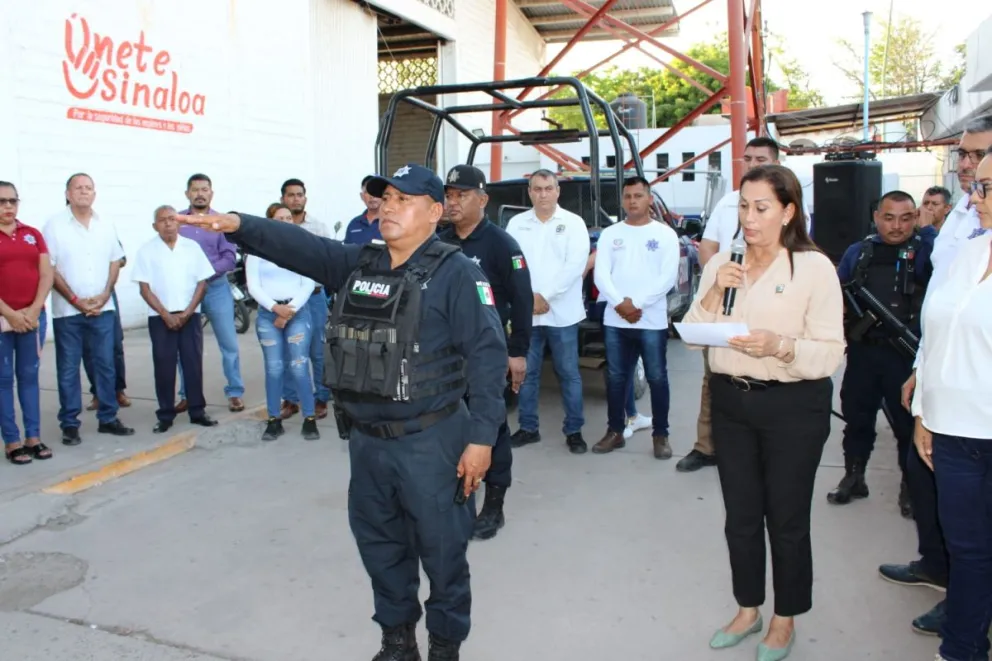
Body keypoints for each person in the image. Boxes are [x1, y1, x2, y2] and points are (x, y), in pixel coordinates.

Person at [174, 163, 507, 661]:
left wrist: (481, 440)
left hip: (432, 442)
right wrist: (240, 225)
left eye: (403, 199)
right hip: (369, 443)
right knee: (381, 549)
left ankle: (444, 647)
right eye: (385, 197)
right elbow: (300, 247)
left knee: (443, 554)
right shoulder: (360, 264)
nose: (388, 206)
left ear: (435, 212)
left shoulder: (458, 274)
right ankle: (398, 643)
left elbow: (488, 358)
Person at [682, 165, 845, 661]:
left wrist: (781, 346)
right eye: (743, 207)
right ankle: (748, 608)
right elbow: (691, 335)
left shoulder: (813, 268)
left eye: (761, 208)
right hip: (731, 403)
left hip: (792, 407)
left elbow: (829, 352)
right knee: (742, 517)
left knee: (788, 519)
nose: (748, 219)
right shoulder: (722, 265)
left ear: (788, 211)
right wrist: (712, 293)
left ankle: (784, 618)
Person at [894, 115, 992, 635]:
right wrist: (923, 383)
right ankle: (958, 610)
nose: (968, 176)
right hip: (949, 414)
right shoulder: (966, 234)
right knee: (963, 537)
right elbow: (939, 310)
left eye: (979, 162)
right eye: (964, 159)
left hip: (981, 417)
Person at [681, 137, 813, 474]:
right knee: (715, 383)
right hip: (725, 304)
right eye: (748, 158)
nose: (753, 164)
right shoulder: (727, 203)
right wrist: (721, 275)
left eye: (761, 158)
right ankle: (706, 447)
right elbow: (707, 246)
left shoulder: (793, 209)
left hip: (771, 312)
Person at [438, 164, 533, 541]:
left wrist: (518, 351)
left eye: (461, 194)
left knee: (489, 428)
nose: (453, 202)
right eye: (449, 194)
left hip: (487, 356)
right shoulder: (440, 240)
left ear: (483, 199)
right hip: (445, 357)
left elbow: (522, 300)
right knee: (447, 429)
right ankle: (458, 499)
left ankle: (494, 505)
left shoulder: (502, 245)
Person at [829, 191, 935, 515]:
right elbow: (837, 294)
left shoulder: (928, 253)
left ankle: (910, 487)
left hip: (904, 356)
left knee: (906, 426)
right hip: (863, 353)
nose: (896, 226)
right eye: (889, 217)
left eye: (905, 218)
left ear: (915, 218)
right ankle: (854, 476)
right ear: (877, 217)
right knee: (857, 418)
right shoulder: (858, 252)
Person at [591, 176, 681, 459]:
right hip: (616, 321)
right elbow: (601, 274)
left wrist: (637, 304)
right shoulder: (610, 234)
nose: (632, 201)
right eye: (628, 196)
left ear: (649, 198)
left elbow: (667, 277)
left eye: (638, 195)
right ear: (622, 200)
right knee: (617, 378)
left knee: (656, 378)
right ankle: (615, 431)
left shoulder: (665, 234)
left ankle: (661, 435)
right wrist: (620, 304)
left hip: (650, 320)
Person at [44, 173, 135, 445]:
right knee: (69, 368)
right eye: (78, 188)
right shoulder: (54, 226)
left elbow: (114, 261)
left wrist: (106, 294)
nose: (84, 192)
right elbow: (49, 268)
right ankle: (69, 423)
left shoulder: (105, 224)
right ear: (68, 194)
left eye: (88, 188)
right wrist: (75, 300)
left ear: (94, 194)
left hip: (103, 309)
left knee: (105, 365)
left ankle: (108, 418)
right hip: (68, 313)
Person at [506, 169, 590, 454]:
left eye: (548, 188)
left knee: (568, 373)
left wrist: (545, 296)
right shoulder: (517, 224)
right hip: (527, 314)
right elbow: (512, 263)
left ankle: (574, 430)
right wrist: (529, 299)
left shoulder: (573, 223)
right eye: (537, 189)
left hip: (562, 313)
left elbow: (575, 265)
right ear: (529, 192)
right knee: (526, 374)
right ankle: (528, 428)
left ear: (557, 191)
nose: (543, 194)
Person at [131, 206, 219, 434]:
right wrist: (165, 315)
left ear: (179, 223)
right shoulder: (146, 251)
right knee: (164, 366)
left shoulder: (192, 247)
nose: (168, 224)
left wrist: (188, 312)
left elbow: (202, 282)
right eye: (162, 220)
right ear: (154, 226)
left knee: (193, 363)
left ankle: (197, 411)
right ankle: (166, 414)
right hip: (161, 318)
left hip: (189, 315)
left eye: (172, 219)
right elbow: (144, 288)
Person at [246, 203, 320, 442]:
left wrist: (289, 310)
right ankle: (274, 420)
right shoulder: (256, 250)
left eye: (289, 218)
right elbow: (253, 285)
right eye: (281, 218)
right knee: (275, 368)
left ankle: (309, 419)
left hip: (296, 311)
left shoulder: (302, 247)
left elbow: (309, 282)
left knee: (299, 366)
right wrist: (274, 308)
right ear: (270, 221)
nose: (286, 222)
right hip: (269, 314)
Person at [177, 173, 246, 413]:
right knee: (186, 346)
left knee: (228, 343)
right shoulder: (178, 222)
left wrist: (206, 273)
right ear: (187, 193)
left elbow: (229, 257)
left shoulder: (221, 222)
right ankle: (187, 394)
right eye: (195, 189)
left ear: (211, 193)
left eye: (204, 189)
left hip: (215, 287)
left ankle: (235, 392)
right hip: (185, 291)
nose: (200, 194)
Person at [0, 181, 54, 464]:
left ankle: (33, 437)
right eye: (2, 201)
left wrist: (32, 311)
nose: (8, 206)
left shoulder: (32, 234)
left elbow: (46, 274)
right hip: (2, 319)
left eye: (12, 201)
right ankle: (12, 441)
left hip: (32, 318)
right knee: (3, 380)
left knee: (29, 377)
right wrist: (9, 313)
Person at [278, 178, 333, 421]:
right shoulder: (276, 228)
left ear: (305, 198)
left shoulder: (318, 228)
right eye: (290, 195)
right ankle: (291, 400)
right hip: (286, 300)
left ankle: (321, 398)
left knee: (317, 351)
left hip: (313, 298)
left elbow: (327, 261)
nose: (295, 199)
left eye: (299, 195)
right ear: (283, 199)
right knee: (289, 352)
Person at [84, 239, 129, 412]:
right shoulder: (61, 230)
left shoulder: (102, 229)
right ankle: (98, 393)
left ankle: (118, 391)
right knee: (88, 348)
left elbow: (122, 259)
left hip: (106, 293)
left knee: (115, 344)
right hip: (79, 295)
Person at [343, 175, 383, 245]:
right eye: (367, 192)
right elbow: (346, 253)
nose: (372, 196)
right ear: (362, 196)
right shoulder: (354, 224)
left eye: (376, 191)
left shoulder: (391, 222)